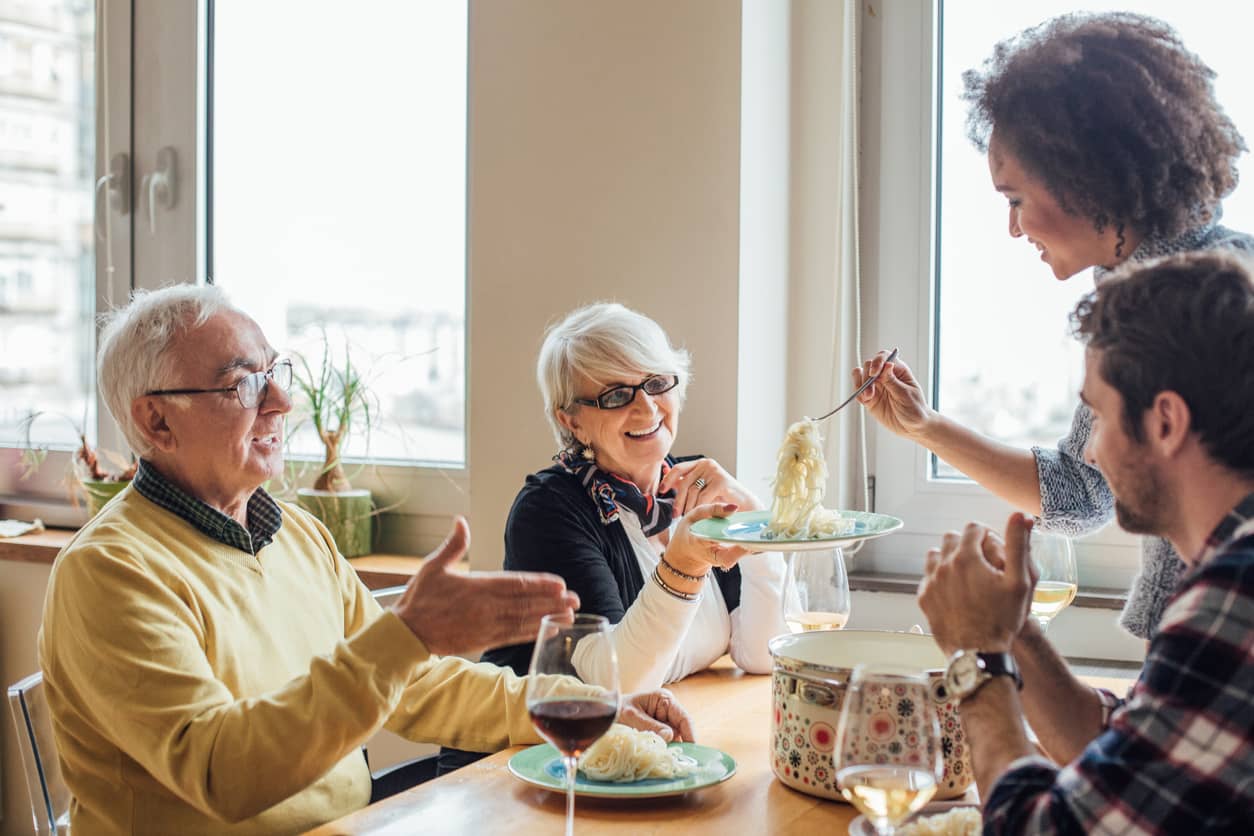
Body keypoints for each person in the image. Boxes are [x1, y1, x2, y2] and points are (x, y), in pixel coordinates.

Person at [37, 285, 694, 836]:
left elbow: (411, 685)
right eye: (243, 385)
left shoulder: (293, 531)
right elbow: (219, 773)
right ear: (156, 423)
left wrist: (590, 705)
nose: (282, 404)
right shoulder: (110, 571)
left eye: (275, 373)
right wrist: (405, 636)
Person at [855, 11, 1253, 641]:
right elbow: (1083, 493)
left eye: (1015, 199)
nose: (1013, 229)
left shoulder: (1208, 306)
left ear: (1084, 177)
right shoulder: (1138, 301)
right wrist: (924, 427)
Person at [918, 250, 1254, 832]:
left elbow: (1042, 828)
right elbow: (1125, 760)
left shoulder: (1234, 595)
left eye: (1097, 417)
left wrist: (977, 657)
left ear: (1166, 422)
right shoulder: (1228, 566)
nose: (1091, 452)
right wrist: (1012, 629)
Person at [483, 302, 788, 687]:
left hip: (656, 736)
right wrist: (683, 565)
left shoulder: (694, 486)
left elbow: (762, 654)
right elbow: (614, 683)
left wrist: (759, 531)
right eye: (615, 395)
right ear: (571, 421)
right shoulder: (549, 510)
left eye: (656, 383)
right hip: (533, 742)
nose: (647, 408)